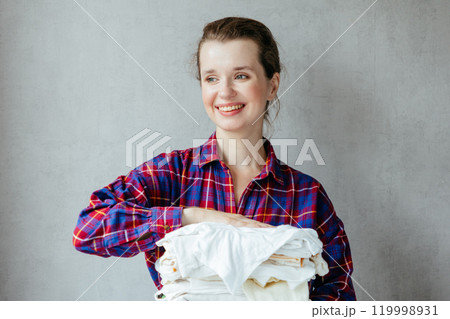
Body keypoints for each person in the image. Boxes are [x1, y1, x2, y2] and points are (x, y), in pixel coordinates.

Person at [73, 16, 356, 300]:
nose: (225, 91)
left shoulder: (307, 196)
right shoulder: (171, 175)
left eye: (241, 75)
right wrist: (190, 217)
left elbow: (338, 297)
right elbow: (87, 229)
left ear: (272, 85)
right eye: (211, 78)